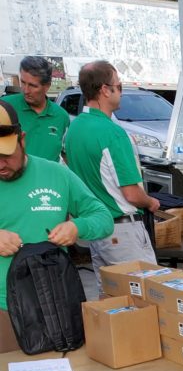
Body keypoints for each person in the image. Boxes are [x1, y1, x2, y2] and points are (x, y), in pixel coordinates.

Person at [0, 99, 113, 371]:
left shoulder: (56, 175)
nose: (1, 163)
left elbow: (103, 216)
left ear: (22, 139)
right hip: (3, 308)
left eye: (6, 153)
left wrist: (76, 225)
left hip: (56, 303)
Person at [64, 61, 159, 286]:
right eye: (119, 85)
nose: (121, 91)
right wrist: (151, 201)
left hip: (97, 229)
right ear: (105, 90)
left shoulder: (74, 129)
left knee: (112, 301)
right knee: (149, 297)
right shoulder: (113, 133)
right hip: (122, 230)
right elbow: (132, 194)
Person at [2, 56, 70, 162]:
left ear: (47, 86)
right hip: (13, 178)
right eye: (23, 82)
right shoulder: (5, 107)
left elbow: (66, 157)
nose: (25, 90)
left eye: (33, 86)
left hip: (47, 178)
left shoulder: (61, 117)